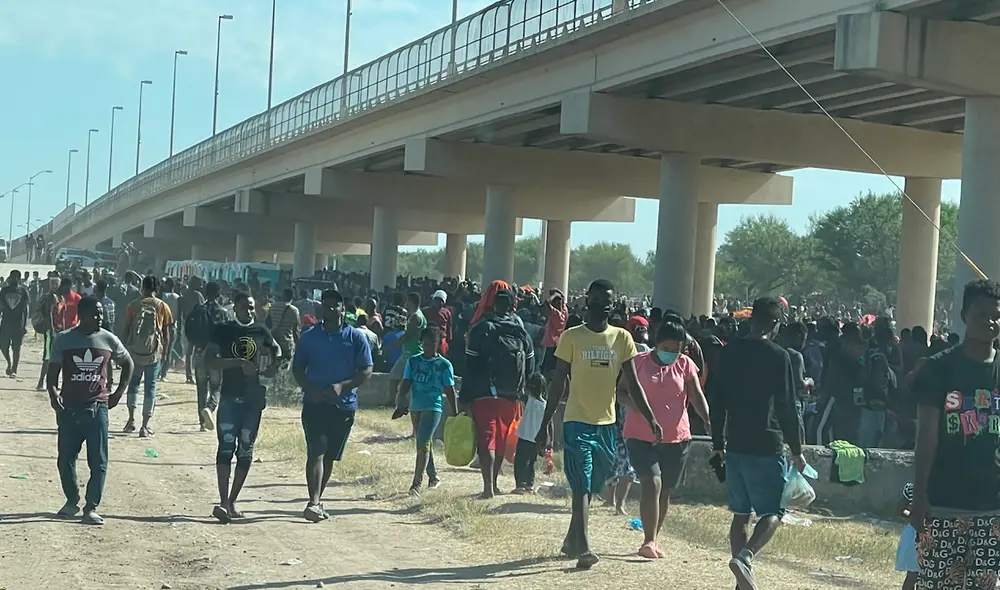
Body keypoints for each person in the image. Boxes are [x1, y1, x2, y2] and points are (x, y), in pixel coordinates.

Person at [536, 279, 661, 569]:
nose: (603, 304)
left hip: (607, 424)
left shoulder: (622, 338)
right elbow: (557, 384)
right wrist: (544, 424)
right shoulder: (571, 337)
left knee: (592, 484)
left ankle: (570, 540)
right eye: (597, 299)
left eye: (608, 299)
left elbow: (634, 384)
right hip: (577, 421)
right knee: (581, 483)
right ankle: (584, 547)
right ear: (587, 301)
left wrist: (650, 416)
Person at [709, 297, 805, 590]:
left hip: (735, 442)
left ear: (752, 320)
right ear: (775, 325)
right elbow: (788, 406)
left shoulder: (730, 352)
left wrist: (717, 443)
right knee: (774, 512)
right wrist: (798, 449)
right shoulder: (779, 356)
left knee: (740, 515)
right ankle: (746, 556)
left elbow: (717, 401)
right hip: (767, 441)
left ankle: (741, 580)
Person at [911, 279, 1000, 588]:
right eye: (981, 314)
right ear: (964, 316)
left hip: (993, 507)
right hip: (942, 502)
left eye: (997, 315)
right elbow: (926, 437)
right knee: (934, 583)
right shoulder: (939, 368)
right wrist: (919, 494)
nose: (990, 321)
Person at [624, 320, 711, 558]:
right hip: (640, 435)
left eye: (676, 349)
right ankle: (648, 540)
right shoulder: (638, 362)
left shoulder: (686, 365)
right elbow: (621, 391)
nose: (671, 353)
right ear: (656, 343)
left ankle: (654, 537)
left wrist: (708, 420)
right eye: (667, 347)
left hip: (677, 437)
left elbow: (695, 395)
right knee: (652, 483)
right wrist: (639, 410)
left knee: (665, 490)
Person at [47, 296, 135, 525]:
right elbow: (52, 372)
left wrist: (118, 393)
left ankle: (91, 507)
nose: (99, 317)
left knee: (98, 461)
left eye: (101, 313)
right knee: (65, 459)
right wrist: (54, 395)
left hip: (98, 409)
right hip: (70, 410)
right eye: (95, 313)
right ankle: (71, 500)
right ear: (82, 314)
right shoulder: (63, 340)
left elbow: (128, 363)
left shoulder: (108, 339)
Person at [292, 289, 373, 522]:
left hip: (344, 405)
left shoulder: (356, 337)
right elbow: (298, 370)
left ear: (342, 309)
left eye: (335, 305)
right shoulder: (309, 337)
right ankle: (313, 502)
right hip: (314, 404)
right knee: (316, 451)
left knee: (329, 456)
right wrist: (312, 389)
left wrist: (343, 386)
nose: (330, 309)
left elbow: (366, 370)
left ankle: (318, 499)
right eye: (326, 305)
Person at [204, 291, 280, 523]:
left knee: (246, 449)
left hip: (252, 400)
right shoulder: (224, 329)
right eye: (245, 307)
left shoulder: (260, 331)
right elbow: (209, 359)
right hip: (229, 396)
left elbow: (276, 348)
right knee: (225, 448)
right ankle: (223, 500)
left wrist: (273, 365)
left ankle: (232, 501)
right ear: (234, 307)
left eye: (251, 307)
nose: (249, 311)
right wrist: (237, 363)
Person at [462, 285, 534, 498]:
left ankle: (487, 488)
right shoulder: (520, 331)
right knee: (501, 439)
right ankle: (495, 483)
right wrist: (523, 391)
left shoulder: (481, 328)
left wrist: (465, 396)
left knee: (486, 440)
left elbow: (470, 365)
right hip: (510, 394)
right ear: (513, 305)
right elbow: (530, 364)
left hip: (483, 393)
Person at [393, 326, 457, 495]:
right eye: (425, 343)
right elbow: (406, 382)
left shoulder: (444, 365)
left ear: (438, 344)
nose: (428, 347)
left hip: (433, 407)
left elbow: (449, 389)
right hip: (416, 407)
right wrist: (400, 400)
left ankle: (416, 484)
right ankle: (433, 477)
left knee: (422, 444)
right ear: (421, 343)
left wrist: (455, 412)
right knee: (423, 443)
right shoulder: (413, 361)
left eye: (432, 344)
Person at [121, 275, 173, 438]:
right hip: (153, 354)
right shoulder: (163, 306)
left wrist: (122, 351)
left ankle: (130, 420)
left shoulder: (133, 305)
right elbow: (166, 333)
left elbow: (127, 328)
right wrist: (165, 352)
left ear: (142, 287)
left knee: (134, 384)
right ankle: (145, 426)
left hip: (135, 353)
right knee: (150, 388)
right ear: (157, 289)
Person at [186, 281, 230, 430]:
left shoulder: (198, 309)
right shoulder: (223, 312)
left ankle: (202, 422)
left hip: (199, 352)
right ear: (219, 294)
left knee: (201, 388)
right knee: (216, 388)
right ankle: (210, 408)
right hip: (216, 356)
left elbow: (189, 330)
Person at [385, 292, 426, 407]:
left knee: (395, 377)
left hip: (412, 354)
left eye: (407, 301)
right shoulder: (415, 315)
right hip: (408, 353)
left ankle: (393, 402)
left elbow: (407, 336)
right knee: (398, 378)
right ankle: (394, 401)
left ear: (412, 302)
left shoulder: (416, 317)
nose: (405, 303)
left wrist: (390, 346)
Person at [513, 372, 549, 494]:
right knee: (532, 462)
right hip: (536, 439)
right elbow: (550, 425)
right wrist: (549, 441)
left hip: (524, 436)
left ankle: (520, 485)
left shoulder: (528, 399)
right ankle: (529, 485)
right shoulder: (545, 405)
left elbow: (519, 392)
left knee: (520, 461)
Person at [0, 270, 30, 377]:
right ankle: (9, 363)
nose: (11, 279)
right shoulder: (4, 291)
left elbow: (26, 309)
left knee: (16, 348)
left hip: (18, 324)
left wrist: (25, 325)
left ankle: (14, 370)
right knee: (3, 346)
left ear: (17, 278)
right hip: (5, 323)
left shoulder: (23, 291)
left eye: (13, 277)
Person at [35, 273, 61, 391]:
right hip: (51, 332)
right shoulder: (51, 297)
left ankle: (50, 382)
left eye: (56, 284)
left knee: (53, 358)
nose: (54, 285)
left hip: (55, 331)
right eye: (53, 284)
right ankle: (41, 382)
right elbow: (50, 314)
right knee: (47, 357)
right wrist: (52, 330)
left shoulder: (58, 297)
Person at [178, 278, 205, 384]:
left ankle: (189, 375)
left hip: (187, 326)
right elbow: (202, 310)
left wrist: (180, 327)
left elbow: (181, 313)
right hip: (198, 326)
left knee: (189, 352)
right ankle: (199, 374)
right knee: (199, 352)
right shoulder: (198, 295)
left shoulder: (184, 295)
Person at [895, 482, 918, 590]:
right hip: (915, 533)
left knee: (915, 576)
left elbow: (900, 510)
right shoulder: (912, 488)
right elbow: (899, 510)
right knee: (914, 574)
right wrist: (913, 516)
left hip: (930, 533)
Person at [158, 278, 181, 381]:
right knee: (169, 351)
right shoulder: (178, 298)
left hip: (161, 326)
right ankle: (163, 374)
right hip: (173, 326)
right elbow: (180, 315)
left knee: (159, 350)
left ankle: (157, 372)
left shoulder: (163, 297)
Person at [422, 290, 453, 358]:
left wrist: (448, 341)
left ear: (444, 302)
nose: (438, 302)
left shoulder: (447, 312)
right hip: (429, 339)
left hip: (442, 340)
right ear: (433, 300)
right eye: (436, 300)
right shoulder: (425, 311)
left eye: (441, 300)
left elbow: (449, 328)